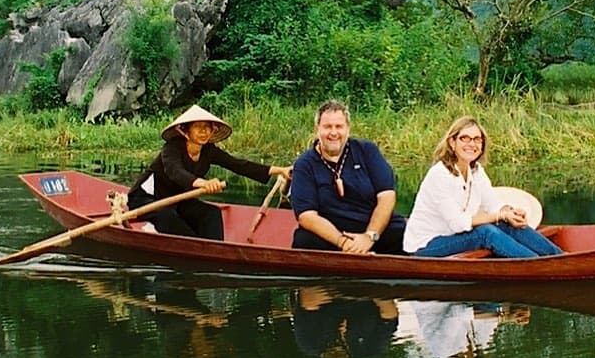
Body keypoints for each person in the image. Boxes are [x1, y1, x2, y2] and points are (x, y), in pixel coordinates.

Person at [403, 115, 563, 258]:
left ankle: (559, 258)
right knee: (486, 232)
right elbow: (458, 224)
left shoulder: (476, 170)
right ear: (452, 142)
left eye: (477, 139)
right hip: (426, 245)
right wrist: (500, 216)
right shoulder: (439, 174)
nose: (471, 144)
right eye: (465, 138)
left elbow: (493, 205)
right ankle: (537, 265)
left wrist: (510, 212)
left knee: (505, 223)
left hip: (455, 236)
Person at [127, 104, 292, 240]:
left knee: (211, 213)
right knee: (167, 216)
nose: (204, 131)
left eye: (207, 127)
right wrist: (203, 183)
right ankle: (194, 249)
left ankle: (214, 249)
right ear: (185, 131)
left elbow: (238, 165)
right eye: (198, 127)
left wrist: (280, 170)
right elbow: (175, 171)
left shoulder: (208, 150)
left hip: (177, 200)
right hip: (147, 199)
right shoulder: (172, 147)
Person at [288, 100, 406, 253]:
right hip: (331, 232)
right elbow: (306, 216)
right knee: (304, 240)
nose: (333, 133)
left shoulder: (367, 150)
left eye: (339, 126)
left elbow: (387, 196)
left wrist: (369, 236)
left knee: (402, 234)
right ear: (317, 129)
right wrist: (343, 242)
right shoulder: (304, 164)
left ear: (348, 129)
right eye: (327, 127)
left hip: (372, 229)